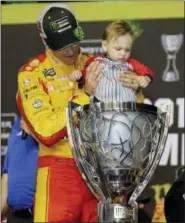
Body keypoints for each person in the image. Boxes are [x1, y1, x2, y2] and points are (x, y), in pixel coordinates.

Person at [16, 4, 142, 222]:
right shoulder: (32, 73)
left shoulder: (96, 62)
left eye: (74, 41)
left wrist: (135, 86)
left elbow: (132, 110)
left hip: (101, 173)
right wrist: (85, 95)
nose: (70, 50)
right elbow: (46, 131)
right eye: (62, 45)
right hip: (59, 171)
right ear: (45, 40)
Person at [69, 20, 154, 103]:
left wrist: (146, 79)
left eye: (127, 50)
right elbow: (86, 76)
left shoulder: (130, 62)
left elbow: (147, 71)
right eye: (118, 49)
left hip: (127, 107)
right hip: (102, 107)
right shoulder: (96, 61)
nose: (123, 53)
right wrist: (78, 75)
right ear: (105, 46)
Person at [1, 117, 38, 223]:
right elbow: (7, 175)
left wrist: (34, 133)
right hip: (15, 216)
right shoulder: (17, 125)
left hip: (41, 215)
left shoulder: (51, 120)